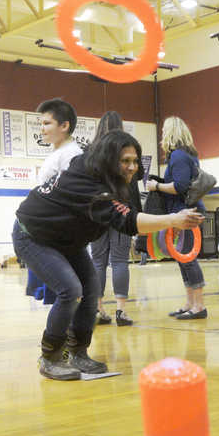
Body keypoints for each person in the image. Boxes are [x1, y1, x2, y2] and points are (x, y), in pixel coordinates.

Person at [14, 130, 203, 380]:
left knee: (92, 289)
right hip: (33, 235)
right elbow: (127, 221)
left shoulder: (111, 179)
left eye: (135, 161)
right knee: (71, 290)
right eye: (125, 161)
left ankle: (78, 353)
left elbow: (127, 213)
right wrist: (172, 220)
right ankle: (50, 358)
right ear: (109, 159)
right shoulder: (88, 183)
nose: (132, 167)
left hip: (67, 240)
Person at [146, 116, 208, 320]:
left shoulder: (179, 156)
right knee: (183, 260)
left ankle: (199, 306)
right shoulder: (186, 155)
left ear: (171, 132)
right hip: (184, 211)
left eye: (164, 130)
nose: (162, 134)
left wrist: (156, 186)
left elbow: (179, 186)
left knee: (188, 260)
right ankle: (190, 303)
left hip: (186, 212)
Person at [87, 111, 140, 327]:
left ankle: (98, 309)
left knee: (97, 261)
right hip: (121, 211)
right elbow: (133, 186)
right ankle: (121, 310)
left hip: (97, 213)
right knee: (119, 261)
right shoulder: (126, 149)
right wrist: (136, 216)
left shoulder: (91, 153)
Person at [36, 98, 81, 186]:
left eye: (46, 123)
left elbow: (68, 192)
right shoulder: (59, 151)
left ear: (64, 126)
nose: (41, 128)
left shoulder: (71, 154)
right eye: (40, 124)